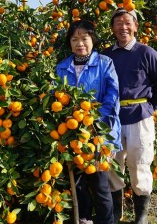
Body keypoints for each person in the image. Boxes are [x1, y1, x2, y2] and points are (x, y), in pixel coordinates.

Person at [101, 9, 157, 224]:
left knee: (140, 165)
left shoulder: (146, 53)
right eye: (118, 23)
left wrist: (151, 108)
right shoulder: (106, 56)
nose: (123, 27)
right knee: (112, 166)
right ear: (112, 28)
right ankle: (116, 213)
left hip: (139, 118)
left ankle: (141, 217)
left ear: (136, 26)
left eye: (127, 22)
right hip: (112, 120)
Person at [56, 19, 121, 224]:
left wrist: (95, 118)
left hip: (99, 134)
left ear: (92, 40)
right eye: (75, 39)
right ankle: (84, 220)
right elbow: (55, 95)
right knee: (79, 185)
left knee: (100, 186)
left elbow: (112, 94)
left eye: (84, 38)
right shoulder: (62, 67)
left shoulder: (104, 63)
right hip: (72, 134)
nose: (80, 43)